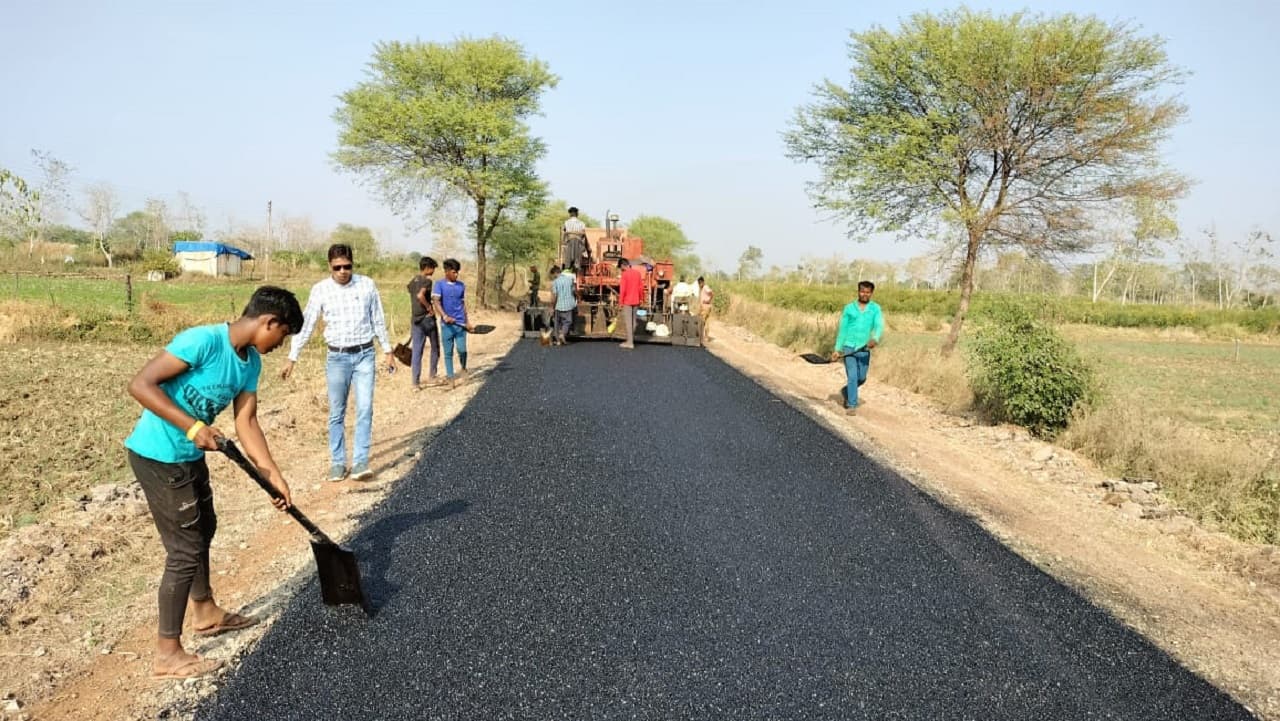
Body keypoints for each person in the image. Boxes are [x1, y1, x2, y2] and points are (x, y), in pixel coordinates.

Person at [124, 286, 303, 681]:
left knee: (205, 528)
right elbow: (141, 384)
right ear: (268, 322)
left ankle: (205, 612)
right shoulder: (202, 341)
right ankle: (167, 654)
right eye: (283, 335)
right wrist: (193, 427)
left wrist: (271, 472)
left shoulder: (250, 364)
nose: (280, 345)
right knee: (184, 550)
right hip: (157, 455)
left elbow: (247, 421)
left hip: (188, 456)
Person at [282, 244, 394, 482]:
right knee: (336, 412)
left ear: (353, 264)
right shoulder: (320, 290)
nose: (343, 271)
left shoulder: (367, 285)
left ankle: (360, 461)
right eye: (337, 267)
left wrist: (387, 349)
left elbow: (377, 318)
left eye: (347, 266)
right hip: (337, 358)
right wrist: (293, 356)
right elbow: (307, 323)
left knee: (365, 408)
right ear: (329, 266)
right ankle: (338, 462)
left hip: (365, 354)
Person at [831, 280, 885, 415]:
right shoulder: (849, 308)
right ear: (858, 291)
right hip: (849, 347)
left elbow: (879, 325)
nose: (864, 294)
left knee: (862, 378)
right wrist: (837, 349)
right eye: (862, 291)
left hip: (864, 348)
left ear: (871, 293)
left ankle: (846, 391)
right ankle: (852, 404)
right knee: (853, 376)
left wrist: (875, 338)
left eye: (868, 292)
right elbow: (843, 329)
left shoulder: (875, 309)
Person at [432, 258, 475, 388]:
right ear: (446, 272)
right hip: (447, 326)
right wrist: (444, 316)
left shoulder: (461, 286)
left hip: (460, 325)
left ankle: (463, 368)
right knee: (448, 353)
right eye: (454, 272)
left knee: (462, 350)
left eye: (457, 272)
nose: (456, 275)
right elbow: (436, 302)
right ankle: (450, 378)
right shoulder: (439, 285)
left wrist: (467, 322)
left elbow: (462, 304)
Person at [407, 256, 441, 390]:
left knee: (417, 351)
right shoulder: (427, 281)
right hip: (427, 319)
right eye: (432, 268)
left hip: (415, 320)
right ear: (427, 268)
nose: (433, 271)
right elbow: (420, 295)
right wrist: (429, 307)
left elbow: (412, 293)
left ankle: (415, 383)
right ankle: (432, 375)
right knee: (435, 347)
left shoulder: (412, 281)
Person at [618, 258, 643, 349]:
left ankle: (630, 342)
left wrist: (620, 302)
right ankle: (630, 340)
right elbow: (641, 288)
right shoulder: (637, 273)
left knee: (628, 321)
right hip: (636, 300)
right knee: (634, 321)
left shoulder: (624, 275)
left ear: (622, 265)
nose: (621, 269)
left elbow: (623, 290)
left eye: (620, 267)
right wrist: (641, 299)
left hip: (627, 301)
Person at [550, 264, 577, 345]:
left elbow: (554, 296)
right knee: (568, 321)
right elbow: (574, 291)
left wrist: (552, 307)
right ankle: (563, 334)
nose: (553, 277)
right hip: (569, 305)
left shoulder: (555, 282)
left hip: (558, 306)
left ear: (555, 273)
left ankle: (558, 340)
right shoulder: (569, 280)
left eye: (553, 275)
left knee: (557, 323)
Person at [562, 206, 588, 271]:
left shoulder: (566, 222)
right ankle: (577, 266)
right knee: (578, 261)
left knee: (568, 261)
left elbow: (564, 233)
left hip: (569, 242)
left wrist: (563, 243)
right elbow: (583, 234)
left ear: (570, 214)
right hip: (578, 243)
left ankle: (568, 267)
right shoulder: (582, 223)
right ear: (577, 214)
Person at [696, 276, 714, 342]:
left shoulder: (705, 287)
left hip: (706, 307)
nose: (699, 285)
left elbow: (712, 293)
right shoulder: (703, 288)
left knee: (701, 321)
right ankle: (706, 337)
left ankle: (700, 336)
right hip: (705, 307)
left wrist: (708, 301)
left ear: (703, 282)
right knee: (706, 322)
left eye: (700, 283)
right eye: (699, 283)